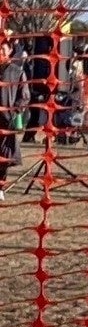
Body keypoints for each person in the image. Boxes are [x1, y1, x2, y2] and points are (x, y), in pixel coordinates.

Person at [0, 29, 30, 201]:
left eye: (3, 49)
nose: (0, 52)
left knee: (4, 156)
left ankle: (0, 187)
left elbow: (24, 96)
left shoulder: (17, 72)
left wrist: (14, 112)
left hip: (6, 120)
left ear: (10, 51)